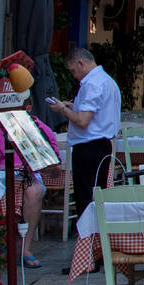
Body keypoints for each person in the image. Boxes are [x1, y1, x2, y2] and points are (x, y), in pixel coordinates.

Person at [47, 48, 121, 223]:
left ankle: (86, 241)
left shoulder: (92, 84)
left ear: (81, 63)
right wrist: (72, 105)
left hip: (89, 147)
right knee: (98, 196)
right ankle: (97, 238)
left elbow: (82, 120)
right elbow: (98, 111)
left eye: (73, 70)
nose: (74, 75)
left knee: (85, 198)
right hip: (103, 145)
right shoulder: (107, 81)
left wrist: (62, 109)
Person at [0, 95, 61, 268]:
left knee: (33, 192)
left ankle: (25, 249)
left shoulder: (41, 130)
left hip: (28, 176)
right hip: (1, 176)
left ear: (27, 107)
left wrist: (43, 164)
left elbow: (56, 171)